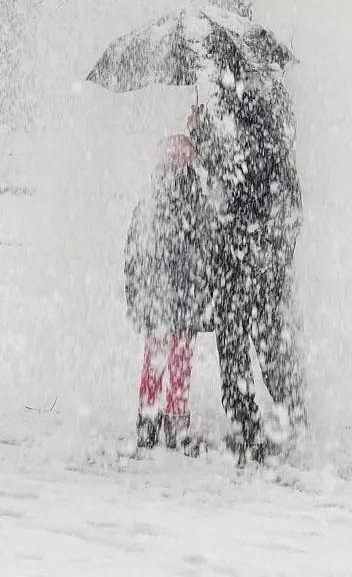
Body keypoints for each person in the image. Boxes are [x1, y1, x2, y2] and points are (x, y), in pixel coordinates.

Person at [190, 72, 306, 463]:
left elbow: (231, 180)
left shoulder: (249, 132)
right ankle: (292, 416)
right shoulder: (278, 134)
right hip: (267, 259)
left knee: (236, 342)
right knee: (270, 338)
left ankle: (251, 427)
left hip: (240, 259)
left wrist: (204, 134)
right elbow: (286, 205)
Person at [124, 134, 214, 453]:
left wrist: (135, 295)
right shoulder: (199, 203)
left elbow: (133, 253)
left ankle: (147, 421)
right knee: (181, 359)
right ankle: (176, 420)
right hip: (186, 294)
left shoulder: (149, 202)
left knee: (155, 358)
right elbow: (208, 252)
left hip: (156, 294)